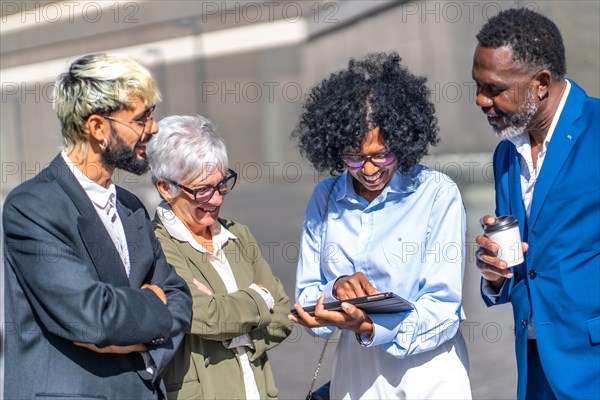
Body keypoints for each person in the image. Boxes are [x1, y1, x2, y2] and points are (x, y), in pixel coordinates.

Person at [2, 53, 192, 399]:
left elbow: (179, 297)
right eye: (141, 118)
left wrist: (134, 340)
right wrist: (151, 308)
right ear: (98, 128)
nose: (154, 128)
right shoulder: (31, 207)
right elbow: (94, 318)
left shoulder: (131, 206)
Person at [289, 52, 472, 399]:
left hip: (428, 378)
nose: (369, 169)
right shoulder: (324, 198)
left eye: (381, 154)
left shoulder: (436, 194)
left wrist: (370, 324)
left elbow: (444, 310)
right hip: (355, 380)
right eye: (354, 157)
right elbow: (306, 297)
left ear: (403, 141)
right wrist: (336, 290)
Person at [472, 8, 600, 399]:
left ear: (541, 83)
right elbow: (529, 266)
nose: (480, 100)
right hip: (536, 367)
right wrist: (494, 275)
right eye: (477, 85)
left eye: (494, 89)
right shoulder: (506, 154)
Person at [146, 115, 293, 400]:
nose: (216, 199)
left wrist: (234, 326)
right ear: (166, 187)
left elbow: (283, 315)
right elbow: (201, 314)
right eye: (202, 190)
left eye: (221, 184)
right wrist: (259, 300)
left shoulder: (239, 236)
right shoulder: (155, 246)